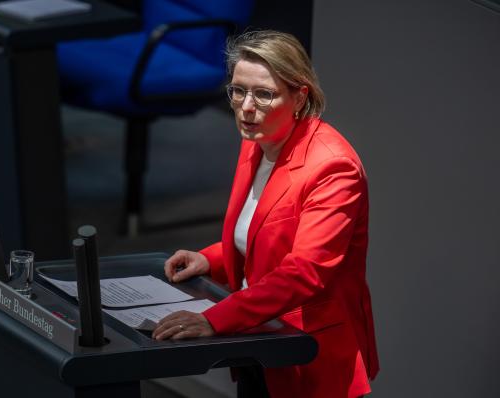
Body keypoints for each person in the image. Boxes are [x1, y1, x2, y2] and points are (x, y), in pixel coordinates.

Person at [151, 30, 380, 398]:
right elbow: (260, 233)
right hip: (258, 342)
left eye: (264, 94)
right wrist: (211, 260)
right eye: (238, 91)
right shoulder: (258, 140)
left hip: (308, 357)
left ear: (299, 95)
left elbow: (304, 272)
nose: (246, 106)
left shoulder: (333, 168)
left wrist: (215, 319)